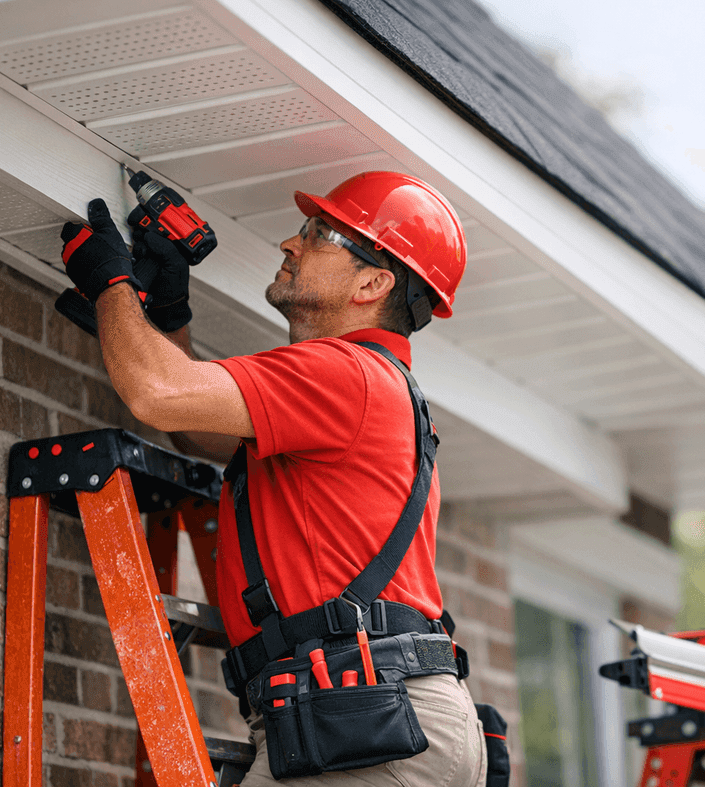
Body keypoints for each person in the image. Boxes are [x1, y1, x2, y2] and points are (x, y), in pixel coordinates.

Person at [59, 171, 488, 785]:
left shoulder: (346, 373)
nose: (290, 243)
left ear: (373, 282)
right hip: (372, 710)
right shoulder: (366, 384)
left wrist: (111, 283)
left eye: (318, 235)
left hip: (367, 715)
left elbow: (157, 392)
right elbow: (197, 429)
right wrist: (168, 314)